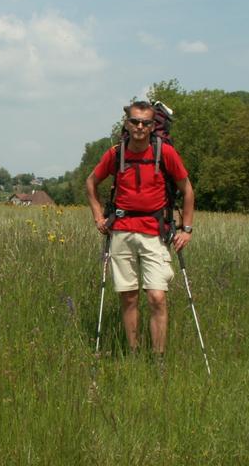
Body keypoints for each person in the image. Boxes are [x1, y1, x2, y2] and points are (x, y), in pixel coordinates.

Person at [85, 100, 194, 356]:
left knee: (157, 296)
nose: (140, 127)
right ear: (127, 123)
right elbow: (91, 183)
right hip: (121, 230)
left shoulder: (164, 152)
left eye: (146, 123)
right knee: (129, 296)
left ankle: (158, 358)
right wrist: (98, 216)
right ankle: (133, 353)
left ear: (153, 126)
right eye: (135, 121)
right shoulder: (115, 153)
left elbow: (187, 189)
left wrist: (186, 229)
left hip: (154, 231)